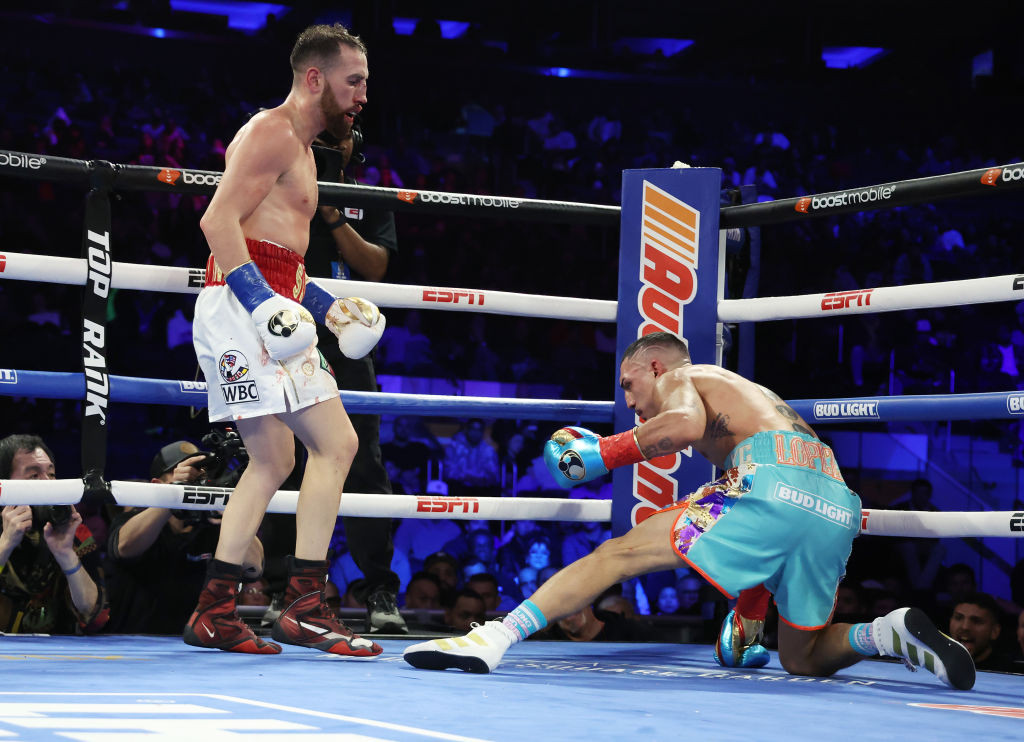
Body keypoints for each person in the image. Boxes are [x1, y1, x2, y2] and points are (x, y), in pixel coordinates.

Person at [403, 332, 975, 690]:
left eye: (628, 384)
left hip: (771, 478)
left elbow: (683, 426)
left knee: (617, 554)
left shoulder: (684, 377)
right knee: (802, 657)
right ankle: (886, 633)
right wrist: (751, 610)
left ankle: (494, 638)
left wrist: (602, 454)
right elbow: (774, 527)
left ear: (655, 367)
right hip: (833, 502)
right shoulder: (755, 404)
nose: (628, 401)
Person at [185, 23, 385, 657]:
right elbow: (217, 221)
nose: (362, 96)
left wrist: (329, 309)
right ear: (315, 77)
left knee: (286, 456)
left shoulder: (303, 149)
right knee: (322, 447)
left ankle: (224, 609)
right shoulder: (272, 131)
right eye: (354, 81)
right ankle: (296, 605)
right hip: (242, 308)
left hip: (269, 305)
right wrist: (260, 303)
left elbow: (282, 259)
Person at [304, 119, 406, 634]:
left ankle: (379, 591)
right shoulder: (283, 189)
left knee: (364, 463)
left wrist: (333, 215)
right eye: (320, 140)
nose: (329, 147)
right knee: (283, 459)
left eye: (337, 140)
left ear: (353, 146)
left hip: (348, 340)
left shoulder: (371, 197)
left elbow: (376, 267)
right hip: (288, 333)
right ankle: (285, 588)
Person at [105, 440, 265, 634]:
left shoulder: (214, 525)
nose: (194, 479)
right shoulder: (134, 519)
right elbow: (124, 547)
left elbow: (254, 567)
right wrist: (175, 493)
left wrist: (226, 509)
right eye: (183, 471)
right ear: (157, 485)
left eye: (199, 472)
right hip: (130, 643)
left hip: (196, 643)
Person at [0, 434, 109, 634]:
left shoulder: (73, 531)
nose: (48, 484)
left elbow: (95, 614)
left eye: (51, 474)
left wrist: (66, 554)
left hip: (57, 649)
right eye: (34, 476)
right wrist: (5, 544)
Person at [949, 592, 1019, 673]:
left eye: (976, 621)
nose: (965, 627)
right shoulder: (938, 662)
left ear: (994, 631)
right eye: (958, 618)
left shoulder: (1010, 672)